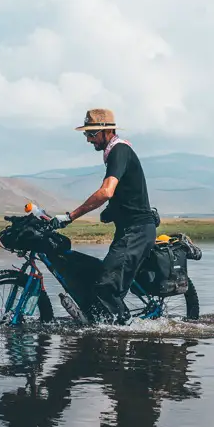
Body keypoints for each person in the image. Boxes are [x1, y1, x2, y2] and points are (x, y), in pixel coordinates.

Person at [48, 108, 158, 324]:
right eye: (86, 135)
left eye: (91, 134)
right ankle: (109, 324)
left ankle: (126, 327)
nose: (88, 140)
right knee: (105, 278)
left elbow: (106, 191)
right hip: (128, 230)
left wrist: (71, 216)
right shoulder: (114, 153)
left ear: (107, 131)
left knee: (105, 285)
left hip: (137, 231)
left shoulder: (119, 151)